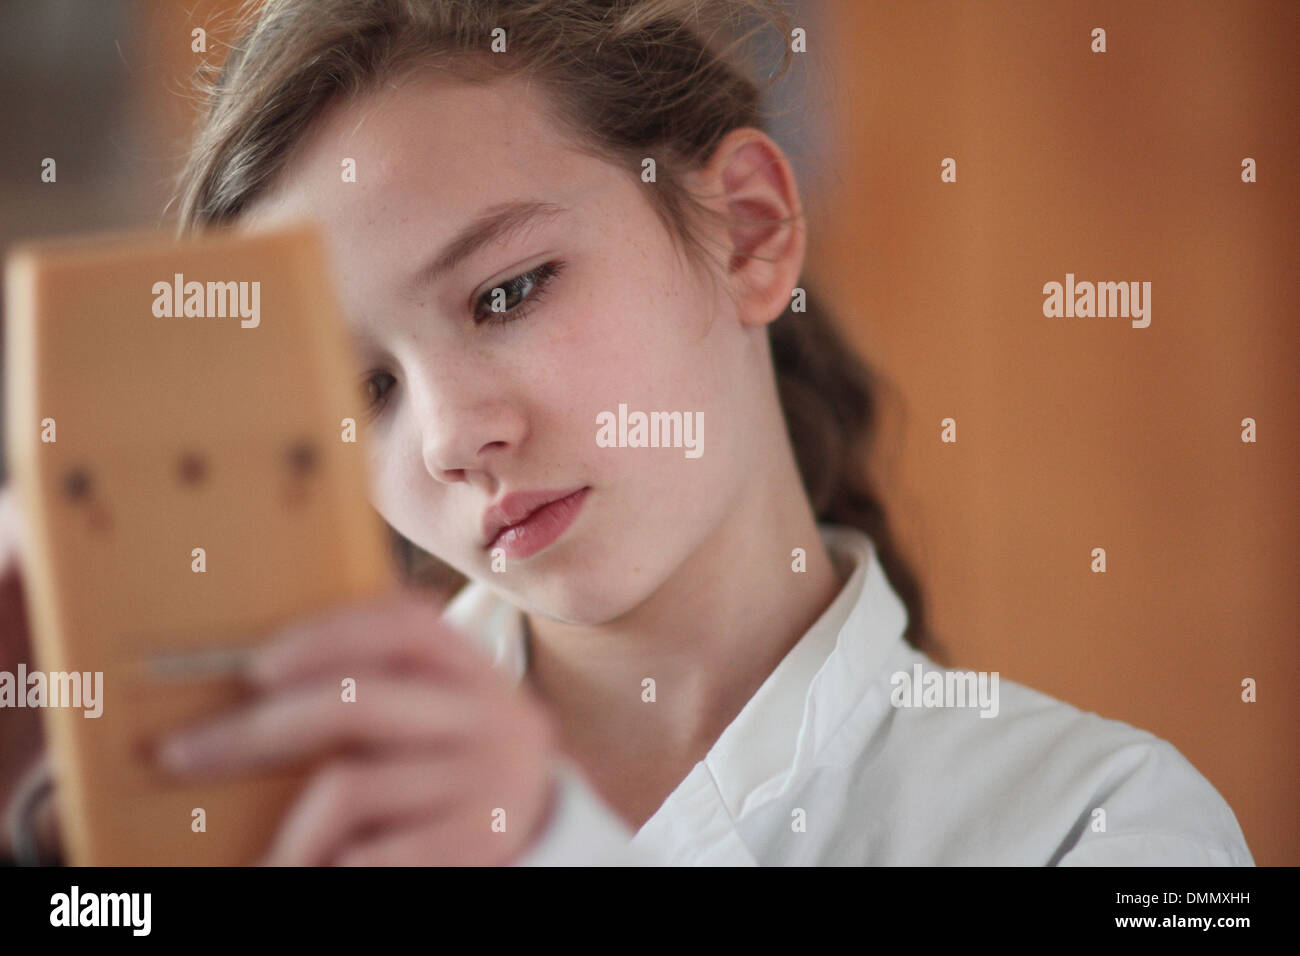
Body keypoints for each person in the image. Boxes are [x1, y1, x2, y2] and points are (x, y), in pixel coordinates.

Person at [1, 0, 1252, 866]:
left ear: (748, 228)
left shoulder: (1102, 820)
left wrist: (549, 844)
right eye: (363, 389)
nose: (451, 437)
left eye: (508, 291)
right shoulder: (280, 807)